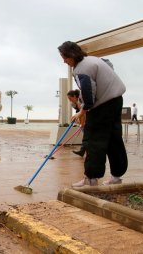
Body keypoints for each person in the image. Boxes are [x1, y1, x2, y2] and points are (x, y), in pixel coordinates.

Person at [58, 41, 128, 187]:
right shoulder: (94, 60)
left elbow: (88, 93)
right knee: (113, 139)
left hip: (102, 105)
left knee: (93, 141)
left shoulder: (81, 69)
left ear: (72, 55)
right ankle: (117, 176)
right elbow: (109, 65)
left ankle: (91, 178)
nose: (63, 61)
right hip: (116, 101)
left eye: (64, 57)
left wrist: (82, 111)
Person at [67, 89, 86, 157]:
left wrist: (82, 124)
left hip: (88, 122)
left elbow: (83, 114)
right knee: (86, 137)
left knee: (87, 137)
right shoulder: (77, 103)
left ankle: (83, 151)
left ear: (74, 96)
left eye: (70, 98)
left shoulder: (79, 102)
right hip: (85, 122)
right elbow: (80, 115)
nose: (70, 100)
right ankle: (82, 151)